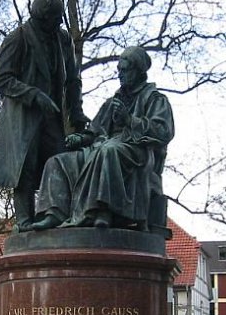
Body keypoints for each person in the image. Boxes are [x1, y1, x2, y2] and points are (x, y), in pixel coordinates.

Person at [30, 46, 174, 232]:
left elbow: (163, 131)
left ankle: (103, 210)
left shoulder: (155, 99)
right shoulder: (113, 100)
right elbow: (96, 130)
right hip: (102, 147)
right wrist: (80, 138)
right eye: (118, 71)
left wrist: (129, 120)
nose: (120, 75)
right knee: (57, 161)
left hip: (135, 151)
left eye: (125, 70)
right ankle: (54, 213)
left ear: (138, 71)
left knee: (109, 151)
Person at [0, 0, 89, 232]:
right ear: (42, 18)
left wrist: (76, 112)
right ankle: (24, 221)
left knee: (60, 162)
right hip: (23, 119)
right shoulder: (19, 39)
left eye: (59, 20)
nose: (58, 24)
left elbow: (73, 80)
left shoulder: (62, 40)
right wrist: (34, 95)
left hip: (52, 118)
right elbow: (2, 79)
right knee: (26, 166)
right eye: (54, 20)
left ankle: (57, 216)